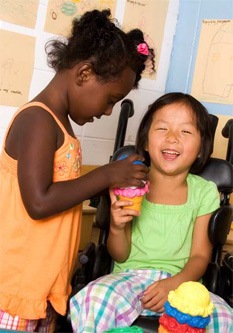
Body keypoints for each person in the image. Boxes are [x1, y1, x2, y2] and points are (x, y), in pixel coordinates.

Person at [0, 9, 155, 332]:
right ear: (84, 74)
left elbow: (64, 189)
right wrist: (107, 175)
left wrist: (112, 185)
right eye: (110, 99)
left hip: (40, 286)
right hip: (15, 288)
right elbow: (39, 202)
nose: (109, 110)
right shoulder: (38, 121)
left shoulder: (59, 126)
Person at [70, 93, 233, 332]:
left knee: (223, 317)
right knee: (94, 297)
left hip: (183, 284)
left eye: (186, 132)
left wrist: (175, 283)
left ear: (201, 148)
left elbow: (200, 257)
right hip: (129, 278)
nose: (172, 138)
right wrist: (116, 227)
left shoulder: (204, 192)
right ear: (145, 141)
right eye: (162, 128)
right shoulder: (129, 184)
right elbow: (120, 255)